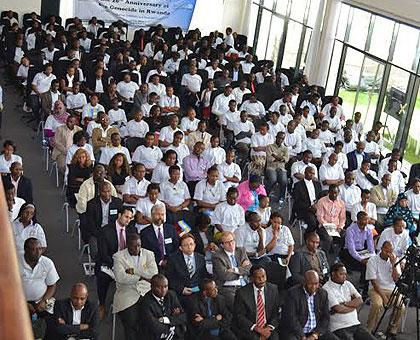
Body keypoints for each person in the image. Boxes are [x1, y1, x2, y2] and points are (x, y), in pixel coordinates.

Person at [113, 233, 158, 340]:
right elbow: (121, 278)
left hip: (146, 291)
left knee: (151, 320)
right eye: (134, 246)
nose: (137, 248)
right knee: (131, 321)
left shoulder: (149, 254)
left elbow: (154, 275)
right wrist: (141, 277)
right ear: (127, 245)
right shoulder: (118, 257)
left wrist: (134, 271)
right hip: (127, 293)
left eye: (139, 245)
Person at [96, 207, 137, 319]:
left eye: (130, 218)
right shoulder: (105, 230)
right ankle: (102, 303)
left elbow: (135, 250)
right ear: (119, 215)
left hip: (126, 264)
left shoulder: (132, 230)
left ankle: (128, 304)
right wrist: (116, 266)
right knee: (102, 278)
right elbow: (103, 254)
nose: (128, 220)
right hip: (109, 263)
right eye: (126, 217)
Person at [280, 270, 338, 340]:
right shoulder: (292, 294)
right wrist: (303, 337)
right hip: (296, 332)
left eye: (316, 283)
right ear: (304, 282)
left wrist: (315, 335)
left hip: (315, 332)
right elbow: (291, 319)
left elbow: (326, 317)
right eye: (310, 284)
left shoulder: (323, 293)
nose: (313, 287)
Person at [323, 263, 375, 340]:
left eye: (345, 274)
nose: (344, 276)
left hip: (355, 323)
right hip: (340, 327)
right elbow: (338, 309)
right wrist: (353, 306)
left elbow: (360, 300)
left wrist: (345, 304)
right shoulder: (326, 288)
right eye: (341, 274)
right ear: (333, 274)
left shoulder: (347, 284)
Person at [20, 238, 59, 332]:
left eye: (40, 249)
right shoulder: (16, 262)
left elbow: (52, 285)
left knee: (55, 322)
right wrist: (23, 303)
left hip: (42, 300)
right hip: (20, 301)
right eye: (33, 249)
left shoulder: (47, 262)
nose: (38, 252)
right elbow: (10, 288)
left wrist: (44, 301)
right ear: (25, 250)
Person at [365, 241, 404, 337]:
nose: (389, 254)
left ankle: (392, 329)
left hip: (391, 288)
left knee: (401, 306)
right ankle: (369, 329)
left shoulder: (394, 259)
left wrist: (394, 264)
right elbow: (374, 282)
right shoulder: (372, 260)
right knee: (377, 304)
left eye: (391, 251)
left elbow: (396, 279)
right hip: (376, 289)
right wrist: (384, 298)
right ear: (382, 249)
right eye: (387, 251)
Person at [233, 265, 280, 340]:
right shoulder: (242, 293)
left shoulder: (273, 289)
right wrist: (258, 329)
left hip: (268, 327)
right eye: (258, 277)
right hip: (251, 328)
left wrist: (268, 328)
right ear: (251, 278)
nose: (261, 280)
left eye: (263, 276)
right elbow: (239, 316)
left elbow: (276, 312)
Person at [140, 274, 187, 339]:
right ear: (152, 287)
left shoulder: (171, 295)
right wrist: (172, 324)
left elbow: (183, 316)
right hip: (156, 336)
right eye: (159, 287)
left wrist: (165, 319)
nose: (163, 290)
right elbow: (154, 326)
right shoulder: (146, 302)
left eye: (166, 286)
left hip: (175, 334)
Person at [166, 234, 209, 305]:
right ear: (180, 247)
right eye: (186, 245)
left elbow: (203, 275)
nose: (189, 247)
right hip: (181, 294)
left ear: (195, 245)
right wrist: (181, 289)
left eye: (191, 244)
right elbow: (170, 278)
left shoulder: (200, 257)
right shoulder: (173, 259)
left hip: (198, 292)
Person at [212, 231, 251, 307]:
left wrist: (235, 270)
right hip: (228, 288)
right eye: (227, 242)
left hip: (244, 284)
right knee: (238, 306)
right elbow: (224, 276)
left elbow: (249, 269)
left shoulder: (241, 251)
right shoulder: (217, 256)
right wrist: (242, 271)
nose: (231, 244)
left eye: (232, 241)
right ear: (222, 245)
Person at [85, 181, 123, 259]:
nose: (107, 194)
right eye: (104, 192)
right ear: (99, 192)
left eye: (108, 191)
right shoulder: (91, 204)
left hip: (112, 231)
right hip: (97, 232)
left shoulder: (117, 202)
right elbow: (90, 224)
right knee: (95, 252)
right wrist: (100, 234)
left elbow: (120, 219)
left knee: (118, 250)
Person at [340, 211, 375, 293]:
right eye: (363, 220)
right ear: (358, 220)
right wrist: (361, 260)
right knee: (365, 265)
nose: (365, 222)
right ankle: (363, 286)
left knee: (372, 262)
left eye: (366, 220)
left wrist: (373, 257)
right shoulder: (350, 230)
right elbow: (352, 250)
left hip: (362, 251)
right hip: (349, 253)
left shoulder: (368, 230)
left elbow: (371, 248)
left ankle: (366, 285)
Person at [315, 185, 346, 254]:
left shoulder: (341, 203)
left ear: (338, 193)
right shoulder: (321, 201)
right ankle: (325, 256)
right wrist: (328, 227)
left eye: (336, 193)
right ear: (329, 192)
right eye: (332, 192)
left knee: (345, 234)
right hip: (324, 226)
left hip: (336, 226)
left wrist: (340, 227)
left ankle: (340, 254)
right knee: (329, 239)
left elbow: (342, 218)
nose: (334, 195)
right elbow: (320, 217)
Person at [292, 166, 322, 231]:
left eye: (313, 173)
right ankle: (308, 236)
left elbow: (320, 197)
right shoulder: (298, 185)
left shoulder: (317, 184)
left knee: (324, 221)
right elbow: (297, 201)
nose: (312, 175)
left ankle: (319, 237)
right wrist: (309, 207)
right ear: (305, 173)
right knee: (313, 223)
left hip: (317, 208)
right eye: (310, 173)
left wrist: (317, 205)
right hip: (305, 209)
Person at [265, 131, 289, 205]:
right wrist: (280, 158)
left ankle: (281, 197)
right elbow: (269, 159)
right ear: (276, 137)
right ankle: (265, 195)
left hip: (281, 168)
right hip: (271, 167)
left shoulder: (285, 149)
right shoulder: (269, 147)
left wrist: (275, 156)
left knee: (284, 181)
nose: (280, 140)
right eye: (279, 138)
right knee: (273, 179)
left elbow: (286, 159)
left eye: (282, 139)